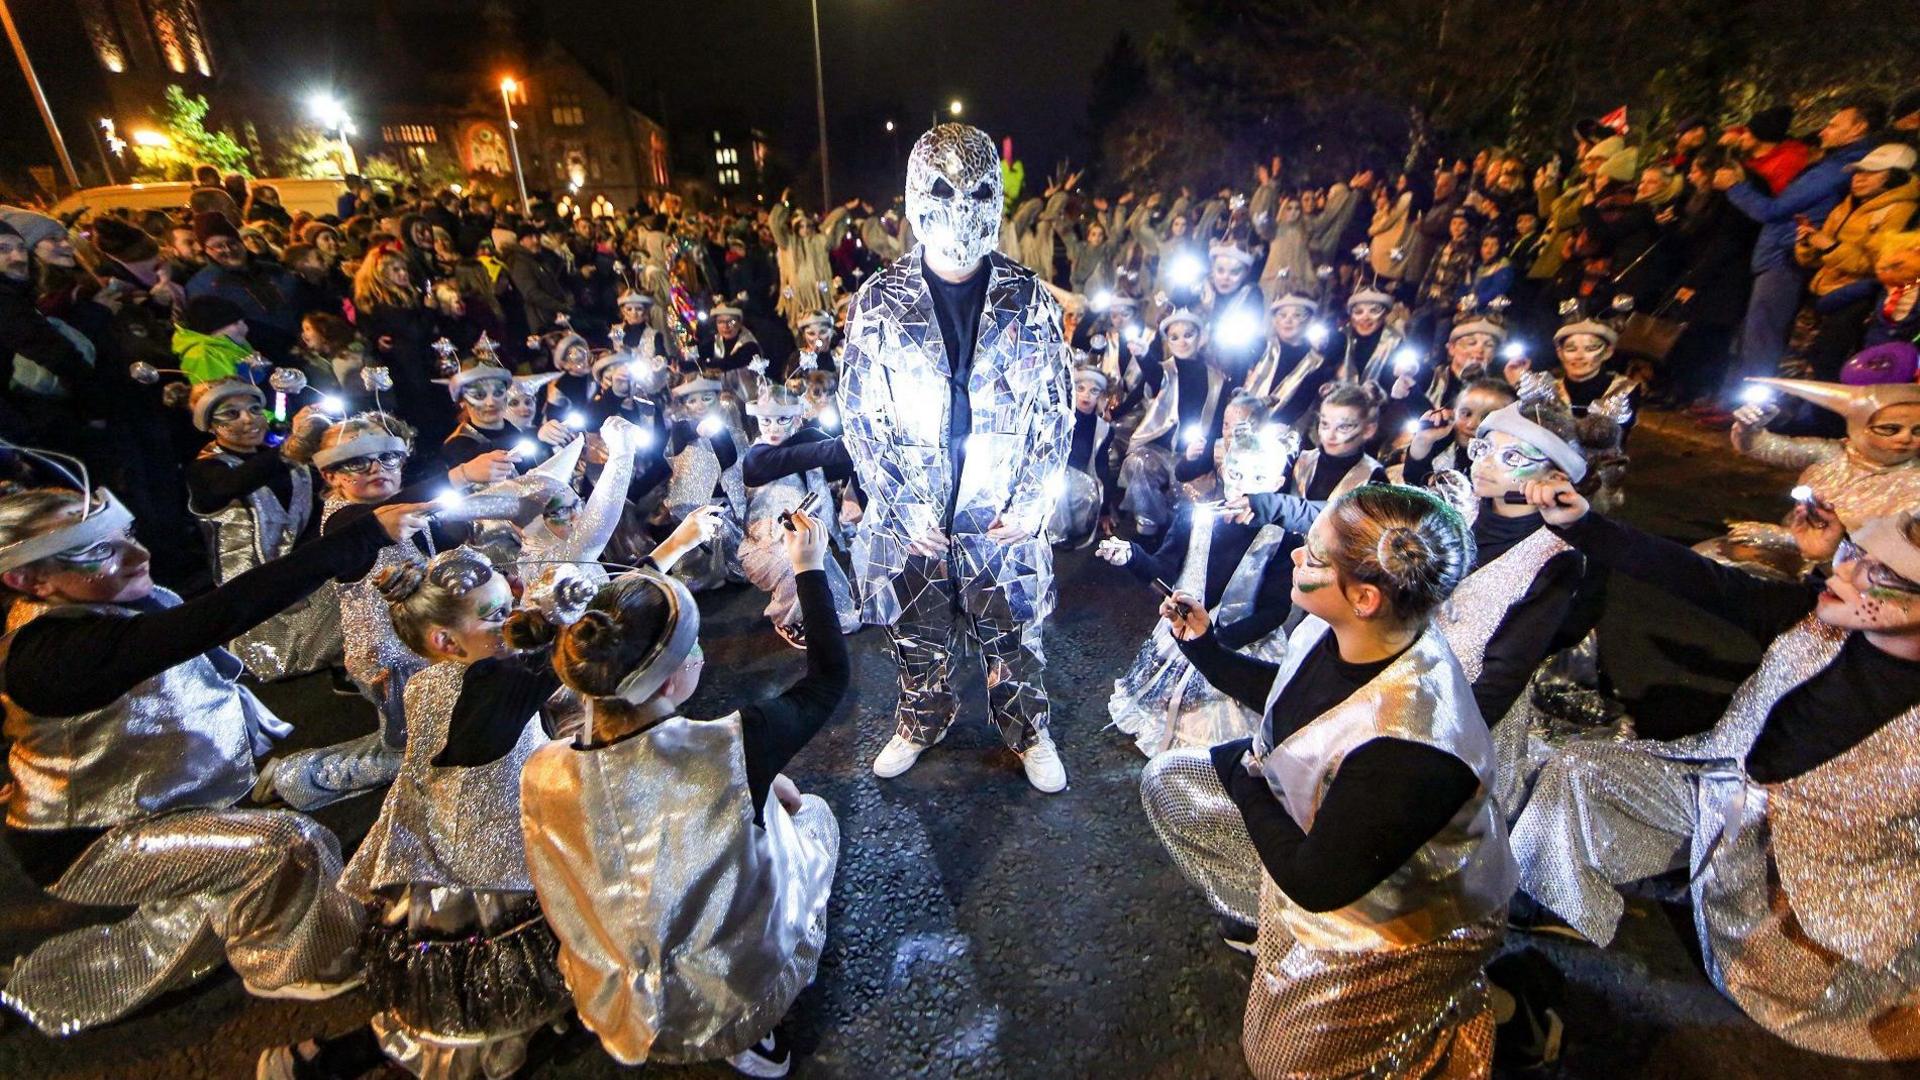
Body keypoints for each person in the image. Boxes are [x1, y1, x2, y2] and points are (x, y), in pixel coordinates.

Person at [0, 464, 429, 1035]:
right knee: (288, 846)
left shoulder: (109, 603)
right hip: (89, 840)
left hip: (160, 799)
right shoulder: (53, 654)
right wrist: (359, 539)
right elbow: (222, 613)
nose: (135, 557)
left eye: (127, 534)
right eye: (96, 554)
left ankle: (259, 911)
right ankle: (286, 965)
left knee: (222, 887)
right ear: (31, 581)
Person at [1507, 479, 1920, 1062]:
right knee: (1579, 769)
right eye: (1854, 553)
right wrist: (1583, 526)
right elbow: (1701, 580)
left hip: (1826, 870)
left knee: (1810, 984)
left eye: (1879, 576)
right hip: (1719, 787)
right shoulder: (1810, 616)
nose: (1842, 573)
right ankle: (1559, 907)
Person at [1139, 484, 1515, 1077]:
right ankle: (1268, 920)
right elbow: (1292, 696)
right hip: (1334, 840)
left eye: (1313, 556)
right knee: (1171, 781)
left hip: (1401, 922)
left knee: (1283, 1063)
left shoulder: (1410, 746)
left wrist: (1247, 780)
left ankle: (1447, 1013)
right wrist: (1204, 648)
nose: (1294, 557)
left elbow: (1318, 884)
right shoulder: (1341, 628)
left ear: (1364, 597)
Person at [516, 509, 846, 1077]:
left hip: (613, 986)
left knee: (766, 795)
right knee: (810, 814)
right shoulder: (733, 747)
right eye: (695, 647)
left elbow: (614, 618)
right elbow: (827, 680)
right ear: (673, 679)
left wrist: (671, 548)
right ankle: (754, 1022)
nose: (702, 654)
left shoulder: (542, 769)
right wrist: (810, 569)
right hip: (727, 976)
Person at [841, 124, 1075, 792]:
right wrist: (896, 499)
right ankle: (923, 717)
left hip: (997, 503)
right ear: (916, 196)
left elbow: (1055, 407)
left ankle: (1027, 728)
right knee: (916, 632)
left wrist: (1033, 499)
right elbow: (860, 410)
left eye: (978, 192)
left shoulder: (1028, 297)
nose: (962, 209)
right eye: (944, 191)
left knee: (1013, 633)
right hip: (914, 502)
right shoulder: (879, 300)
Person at [1104, 415, 1296, 756]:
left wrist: (1220, 641)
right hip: (1189, 626)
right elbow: (1163, 568)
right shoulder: (1196, 515)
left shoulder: (1281, 539)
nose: (1244, 487)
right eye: (1237, 474)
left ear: (1278, 482)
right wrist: (1131, 555)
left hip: (1240, 639)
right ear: (1224, 470)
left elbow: (1276, 608)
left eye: (1259, 478)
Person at [185, 381, 341, 682]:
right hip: (251, 596)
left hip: (302, 579)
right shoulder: (205, 470)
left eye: (255, 409)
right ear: (209, 425)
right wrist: (290, 447)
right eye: (231, 414)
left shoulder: (287, 461)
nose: (248, 419)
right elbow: (232, 485)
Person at [738, 383, 860, 647]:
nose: (772, 428)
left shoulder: (806, 438)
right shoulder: (756, 457)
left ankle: (819, 614)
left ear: (795, 417)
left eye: (781, 419)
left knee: (812, 554)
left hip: (804, 534)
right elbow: (809, 454)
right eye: (765, 420)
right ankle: (787, 621)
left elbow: (844, 462)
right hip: (765, 544)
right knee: (795, 556)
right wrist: (852, 442)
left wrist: (853, 491)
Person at [1118, 308, 1226, 539]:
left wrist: (1201, 458)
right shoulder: (1166, 370)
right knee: (1137, 463)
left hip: (1194, 454)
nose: (1182, 342)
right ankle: (1149, 520)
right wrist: (1144, 355)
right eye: (1174, 337)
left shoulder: (1216, 378)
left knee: (1196, 506)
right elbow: (1155, 376)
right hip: (1159, 450)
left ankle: (1173, 522)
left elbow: (1217, 422)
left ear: (1201, 337)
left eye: (1189, 334)